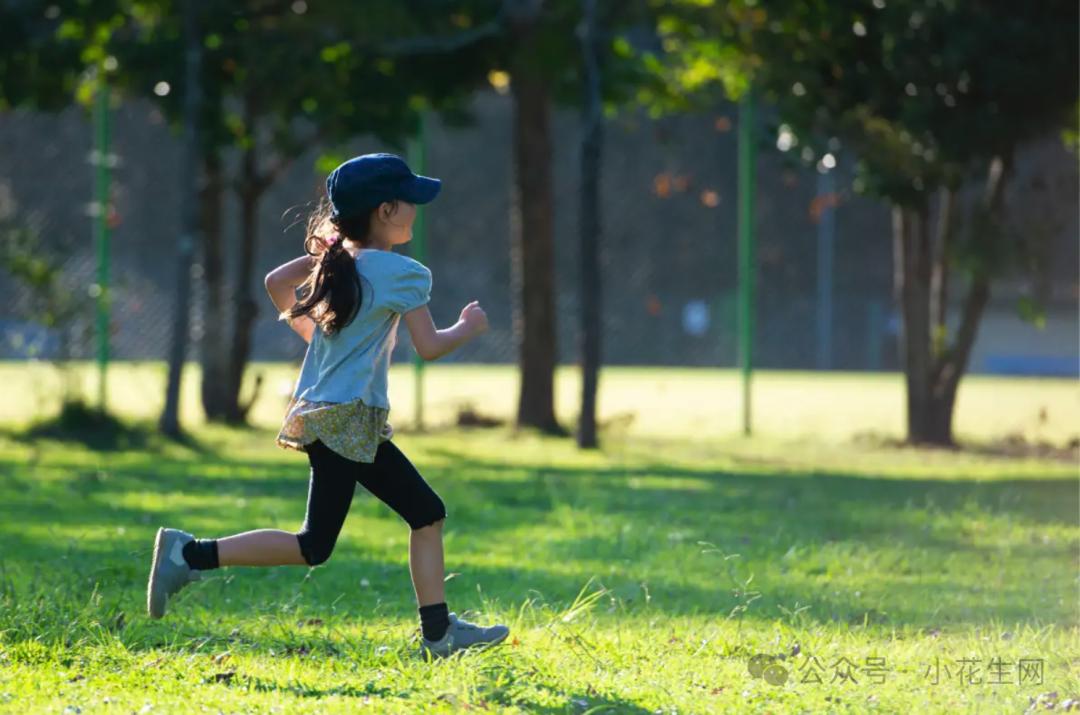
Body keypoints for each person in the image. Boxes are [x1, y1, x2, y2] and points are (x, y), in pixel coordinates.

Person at [146, 153, 509, 659]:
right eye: (410, 203)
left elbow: (276, 282)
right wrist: (469, 329)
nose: (416, 212)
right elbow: (429, 345)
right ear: (385, 210)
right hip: (349, 419)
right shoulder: (404, 273)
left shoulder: (337, 266)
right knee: (330, 539)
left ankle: (437, 632)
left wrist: (312, 307)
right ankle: (188, 555)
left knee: (414, 516)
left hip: (325, 414)